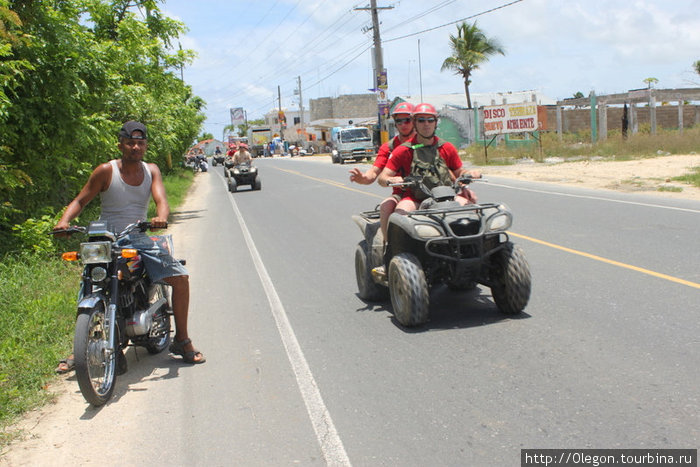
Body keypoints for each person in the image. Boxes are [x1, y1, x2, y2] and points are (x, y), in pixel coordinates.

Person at [54, 120, 205, 372]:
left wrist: (160, 217)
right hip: (105, 237)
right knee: (91, 281)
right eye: (130, 142)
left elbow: (161, 200)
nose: (135, 147)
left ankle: (182, 340)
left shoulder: (151, 170)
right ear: (120, 144)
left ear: (145, 146)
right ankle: (80, 347)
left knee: (180, 278)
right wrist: (64, 221)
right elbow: (81, 200)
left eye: (140, 143)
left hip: (136, 236)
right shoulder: (105, 171)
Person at [378, 103, 481, 216]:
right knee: (400, 215)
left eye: (430, 120)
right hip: (415, 199)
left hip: (446, 196)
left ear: (436, 122)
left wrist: (469, 174)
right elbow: (382, 178)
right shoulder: (403, 150)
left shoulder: (447, 147)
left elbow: (459, 172)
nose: (426, 124)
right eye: (421, 120)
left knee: (472, 210)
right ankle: (387, 234)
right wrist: (391, 180)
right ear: (415, 123)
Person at [349, 101, 416, 239]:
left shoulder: (427, 143)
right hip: (402, 195)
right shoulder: (389, 148)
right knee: (386, 207)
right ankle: (388, 246)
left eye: (407, 120)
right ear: (395, 123)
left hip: (431, 193)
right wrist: (364, 179)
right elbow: (374, 172)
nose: (403, 124)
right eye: (399, 121)